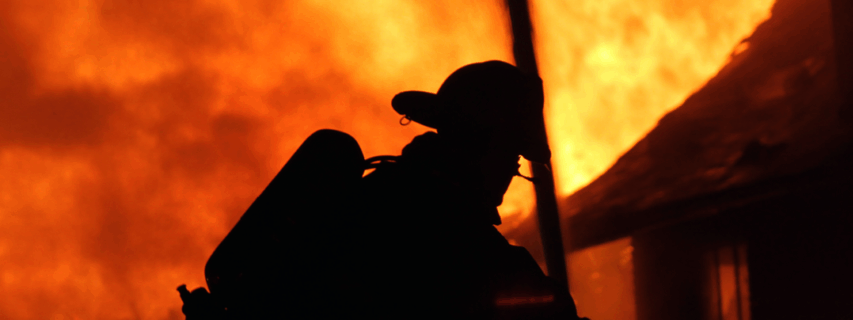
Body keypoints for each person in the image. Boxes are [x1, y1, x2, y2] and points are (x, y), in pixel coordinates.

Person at [180, 60, 582, 320]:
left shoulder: (371, 194)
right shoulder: (450, 234)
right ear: (483, 148)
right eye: (511, 159)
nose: (510, 175)